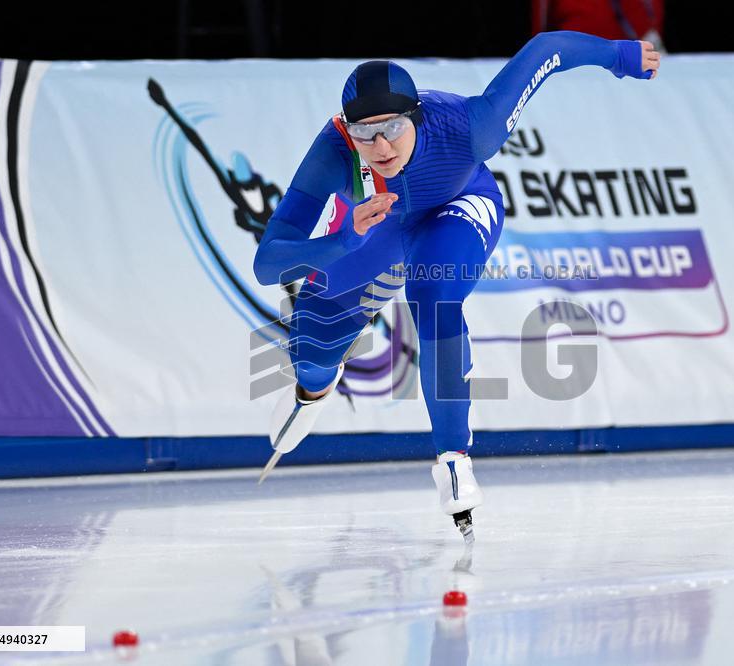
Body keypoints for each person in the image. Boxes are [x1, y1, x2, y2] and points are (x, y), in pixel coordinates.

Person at [253, 31, 660, 540]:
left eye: (394, 127)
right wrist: (341, 242)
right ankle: (312, 389)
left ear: (417, 117)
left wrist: (619, 55)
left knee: (434, 297)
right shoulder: (332, 154)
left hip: (457, 206)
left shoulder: (469, 126)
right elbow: (268, 263)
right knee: (311, 353)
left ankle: (453, 458)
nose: (381, 146)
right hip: (371, 228)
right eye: (364, 133)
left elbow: (546, 52)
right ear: (346, 129)